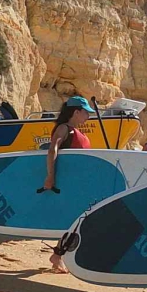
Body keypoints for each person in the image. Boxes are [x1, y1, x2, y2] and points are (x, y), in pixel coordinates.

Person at [44, 96, 96, 273]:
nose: (88, 117)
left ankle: (58, 256)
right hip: (68, 185)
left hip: (80, 185)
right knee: (75, 222)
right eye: (86, 113)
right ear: (76, 112)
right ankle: (58, 256)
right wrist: (50, 177)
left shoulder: (77, 131)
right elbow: (52, 150)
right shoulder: (63, 128)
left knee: (75, 222)